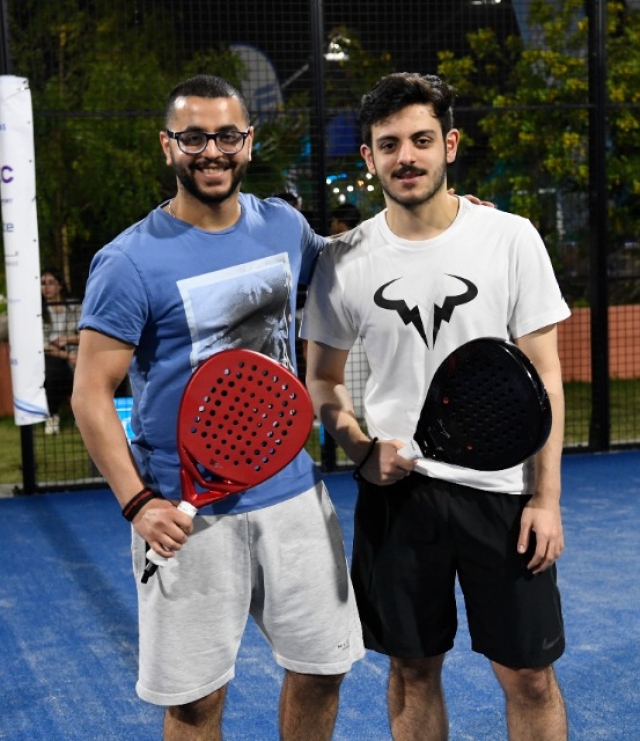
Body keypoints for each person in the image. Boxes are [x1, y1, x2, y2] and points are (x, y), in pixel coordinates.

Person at [71, 74, 364, 741]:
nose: (212, 151)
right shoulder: (128, 261)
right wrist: (138, 503)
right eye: (194, 137)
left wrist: (438, 218)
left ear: (248, 142)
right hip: (187, 513)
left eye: (227, 136)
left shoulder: (283, 225)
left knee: (323, 668)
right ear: (167, 146)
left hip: (294, 497)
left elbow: (351, 261)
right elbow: (89, 393)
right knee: (195, 705)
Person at [301, 72, 570, 741]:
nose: (406, 156)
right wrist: (362, 449)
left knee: (529, 676)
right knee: (412, 669)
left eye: (421, 140)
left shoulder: (510, 237)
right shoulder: (343, 259)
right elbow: (322, 381)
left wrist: (546, 499)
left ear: (449, 144)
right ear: (368, 157)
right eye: (389, 144)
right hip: (399, 498)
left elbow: (545, 376)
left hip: (503, 492)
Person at [41, 266, 81, 435]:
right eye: (43, 283)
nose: (46, 287)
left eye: (51, 283)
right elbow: (42, 344)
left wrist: (67, 339)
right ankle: (52, 416)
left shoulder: (74, 307)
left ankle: (84, 414)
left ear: (60, 285)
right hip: (51, 353)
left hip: (77, 351)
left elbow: (88, 334)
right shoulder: (38, 311)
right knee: (55, 371)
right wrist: (68, 355)